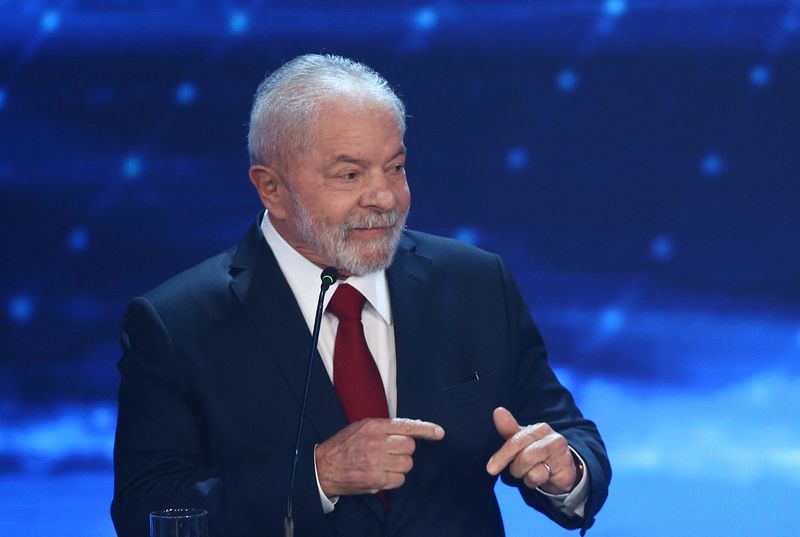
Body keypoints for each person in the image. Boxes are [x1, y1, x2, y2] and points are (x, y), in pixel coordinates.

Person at [111, 53, 610, 537]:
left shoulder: (474, 282)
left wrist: (567, 471)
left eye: (395, 167)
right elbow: (148, 511)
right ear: (271, 190)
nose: (385, 198)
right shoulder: (177, 323)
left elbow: (567, 432)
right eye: (350, 175)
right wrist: (317, 477)